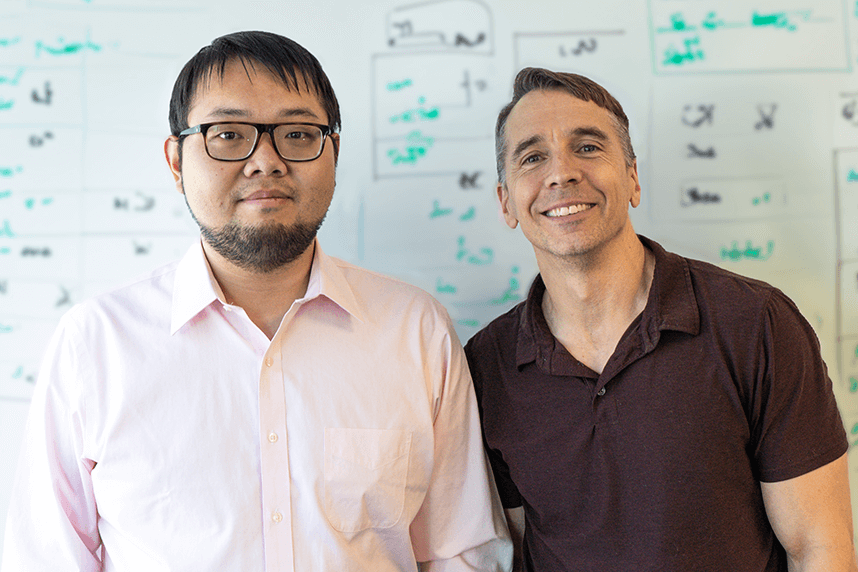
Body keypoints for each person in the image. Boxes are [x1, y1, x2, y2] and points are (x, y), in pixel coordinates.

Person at [1, 31, 511, 571]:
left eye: (296, 133)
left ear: (332, 152)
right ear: (176, 161)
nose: (265, 161)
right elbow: (46, 558)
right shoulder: (95, 343)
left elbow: (462, 552)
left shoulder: (414, 329)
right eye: (228, 134)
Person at [464, 66, 857, 571]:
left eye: (587, 147)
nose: (560, 173)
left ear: (632, 178)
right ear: (507, 202)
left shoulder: (756, 326)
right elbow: (515, 551)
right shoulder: (486, 366)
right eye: (533, 157)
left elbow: (819, 548)